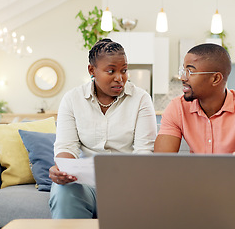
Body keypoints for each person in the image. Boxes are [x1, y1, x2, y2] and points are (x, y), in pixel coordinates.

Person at [154, 43, 235, 218]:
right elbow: (160, 164)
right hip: (194, 181)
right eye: (183, 70)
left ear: (215, 79)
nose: (183, 77)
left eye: (190, 71)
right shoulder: (177, 108)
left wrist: (227, 182)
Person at [49, 38, 157, 219]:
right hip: (84, 184)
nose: (119, 78)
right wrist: (63, 170)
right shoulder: (72, 99)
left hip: (129, 182)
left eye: (124, 70)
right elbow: (66, 147)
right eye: (111, 71)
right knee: (64, 192)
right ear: (92, 70)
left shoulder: (141, 99)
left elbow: (144, 151)